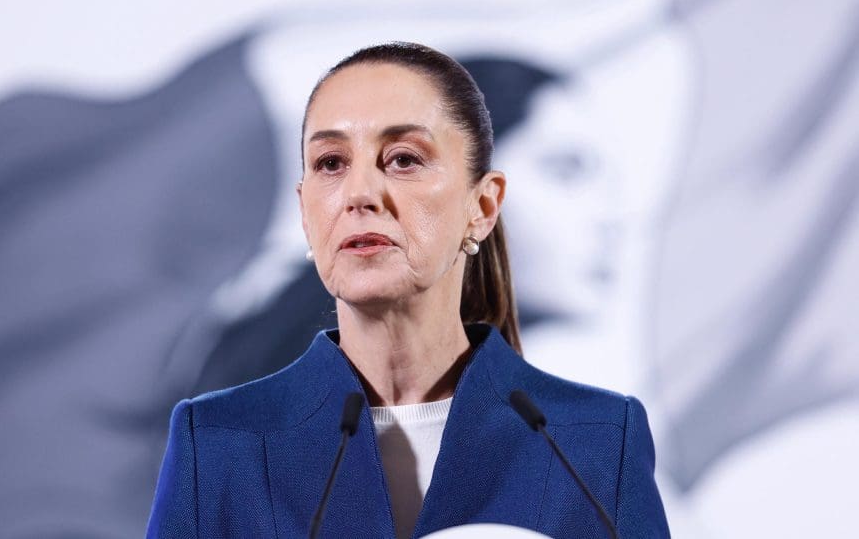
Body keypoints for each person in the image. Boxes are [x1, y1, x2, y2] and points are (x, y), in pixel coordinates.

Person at [146, 42, 670, 538]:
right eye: (331, 164)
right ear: (306, 211)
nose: (361, 195)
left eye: (403, 160)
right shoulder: (217, 441)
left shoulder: (599, 438)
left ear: (482, 206)